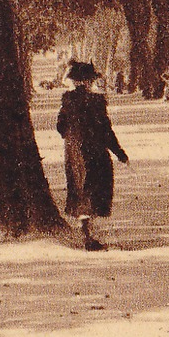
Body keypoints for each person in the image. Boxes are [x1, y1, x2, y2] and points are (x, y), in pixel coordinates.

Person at [55, 60, 128, 250]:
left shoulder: (67, 101)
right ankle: (90, 235)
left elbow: (60, 128)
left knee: (80, 190)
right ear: (88, 81)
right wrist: (119, 153)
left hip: (74, 152)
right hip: (95, 152)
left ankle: (86, 232)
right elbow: (106, 130)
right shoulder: (97, 101)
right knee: (95, 191)